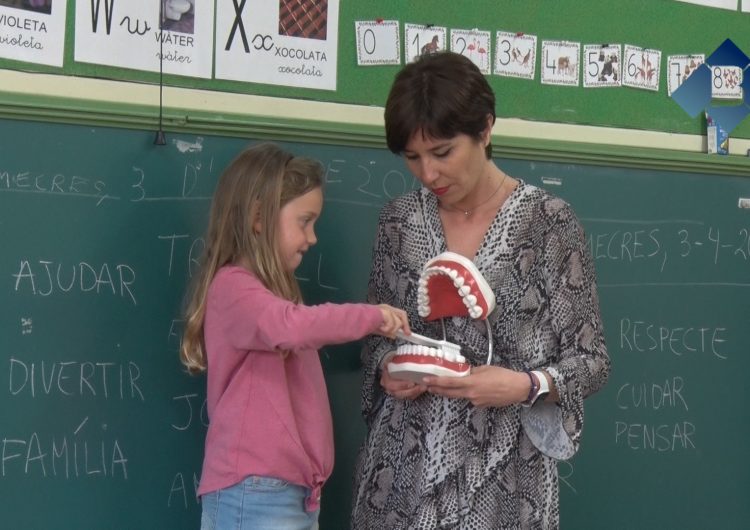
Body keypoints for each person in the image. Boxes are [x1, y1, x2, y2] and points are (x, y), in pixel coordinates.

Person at [351, 52, 611, 529]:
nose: (428, 174)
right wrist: (389, 368)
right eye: (412, 157)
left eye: (443, 152)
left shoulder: (549, 224)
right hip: (402, 476)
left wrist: (523, 385)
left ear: (485, 129)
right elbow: (375, 336)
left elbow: (591, 361)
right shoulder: (399, 221)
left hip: (506, 483)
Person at [179, 142, 411, 530]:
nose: (312, 237)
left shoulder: (271, 296)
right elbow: (291, 325)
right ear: (258, 217)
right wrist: (372, 317)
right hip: (255, 494)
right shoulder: (233, 288)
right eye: (304, 221)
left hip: (293, 494)